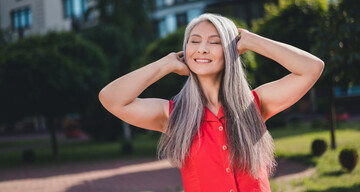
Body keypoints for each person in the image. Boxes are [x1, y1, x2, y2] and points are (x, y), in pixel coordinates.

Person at [98, 13, 324, 192]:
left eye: (214, 42)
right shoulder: (173, 115)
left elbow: (311, 69)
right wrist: (165, 65)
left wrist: (252, 41)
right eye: (194, 41)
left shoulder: (255, 104)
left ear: (231, 50)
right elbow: (111, 99)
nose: (202, 48)